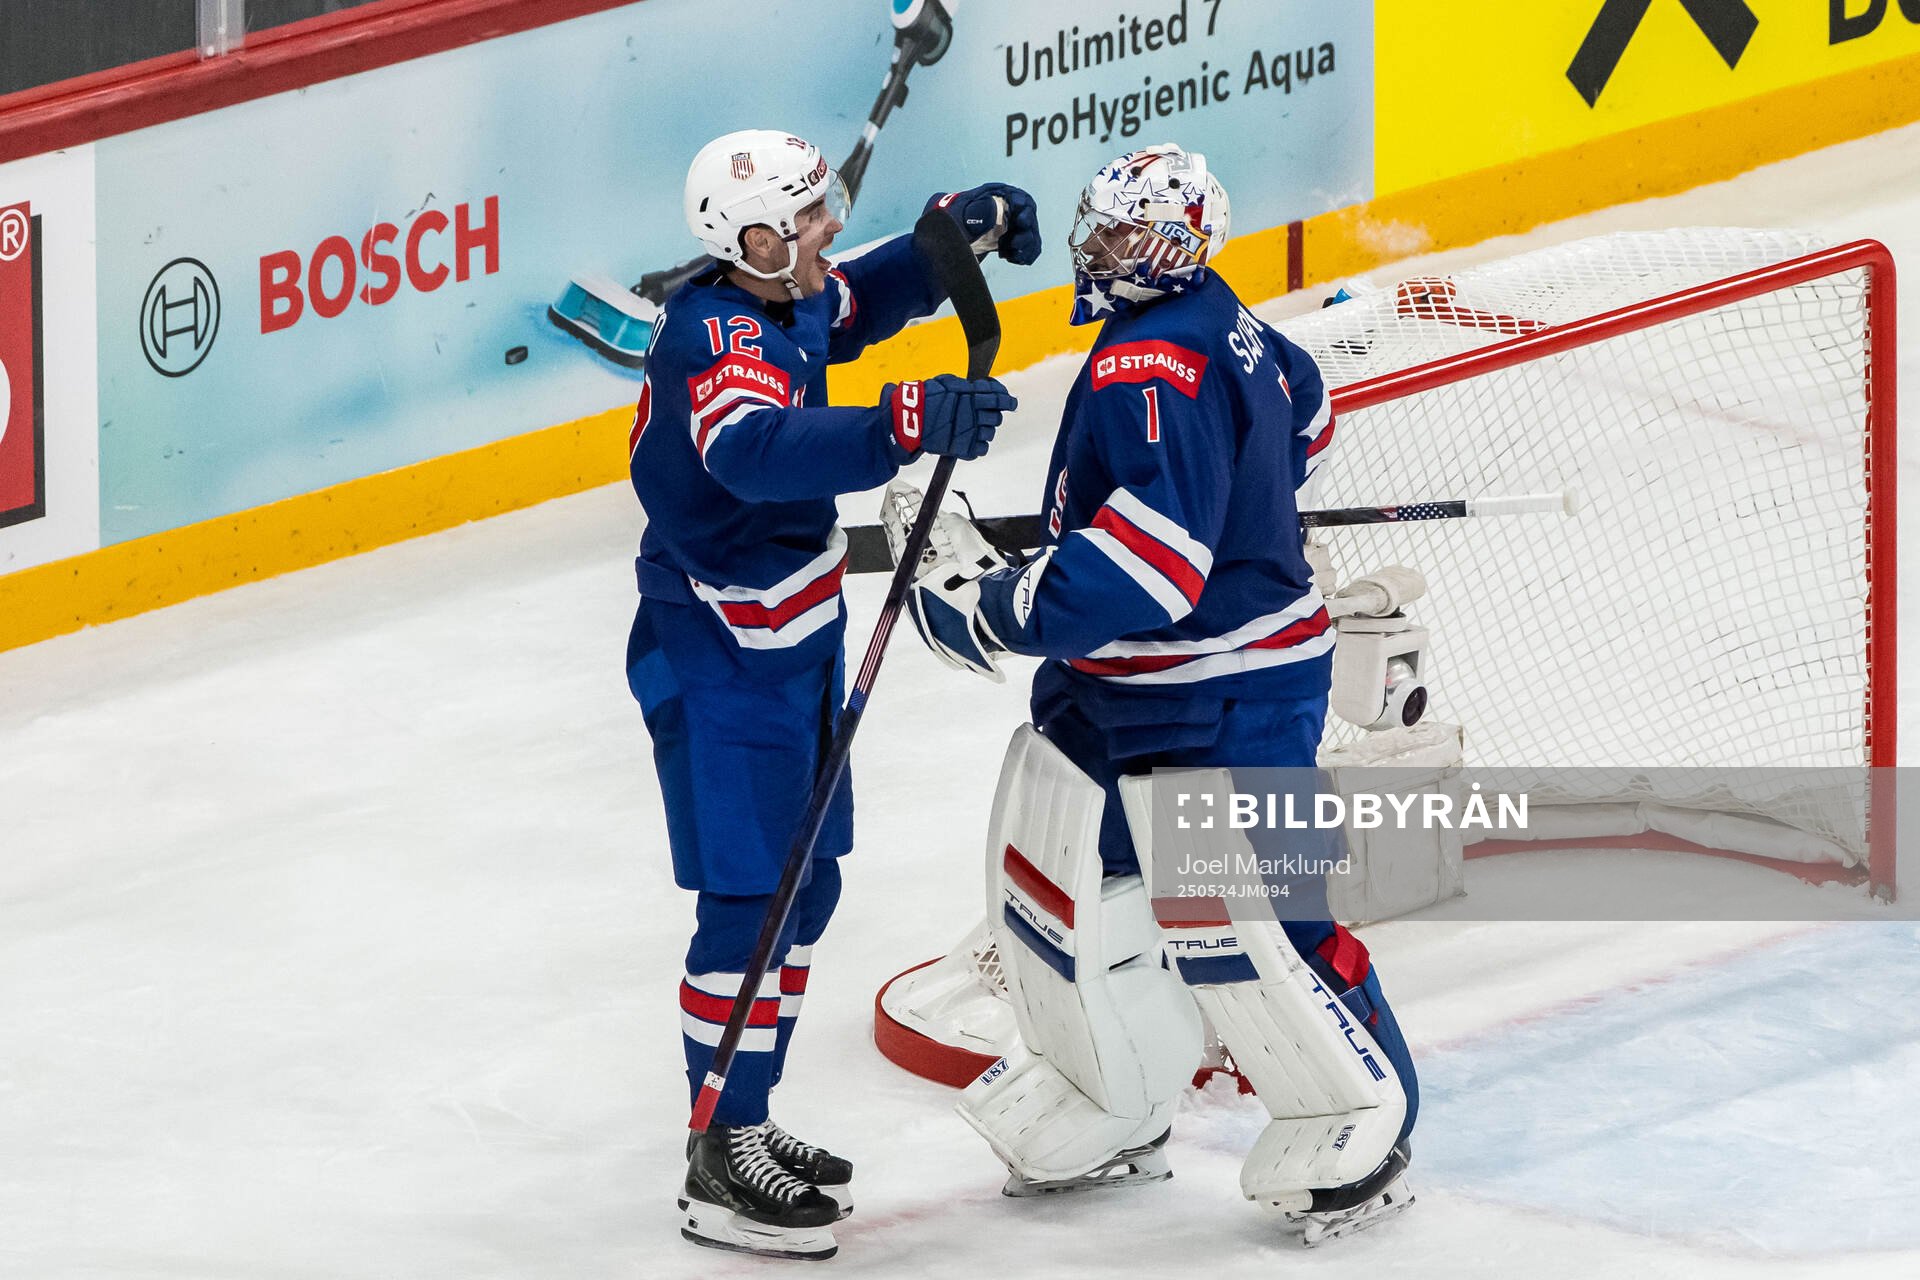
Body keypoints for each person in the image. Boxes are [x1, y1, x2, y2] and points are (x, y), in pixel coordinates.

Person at [890, 144, 1418, 1244]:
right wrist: (1247, 487)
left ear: (1171, 242)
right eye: (1103, 228)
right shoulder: (1221, 317)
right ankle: (1109, 1093)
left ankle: (1363, 1105)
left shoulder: (1148, 365)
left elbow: (1152, 570)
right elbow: (1306, 410)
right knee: (1067, 895)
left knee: (1266, 914)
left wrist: (995, 607)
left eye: (1125, 234)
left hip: (1224, 691)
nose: (1100, 248)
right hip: (1139, 684)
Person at [625, 128, 1038, 1261]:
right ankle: (722, 1148)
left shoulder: (786, 290)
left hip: (794, 635)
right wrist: (899, 424)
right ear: (749, 238)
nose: (826, 236)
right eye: (807, 222)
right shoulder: (713, 334)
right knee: (751, 902)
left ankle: (749, 1107)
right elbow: (752, 451)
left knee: (805, 890)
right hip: (718, 647)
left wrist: (953, 238)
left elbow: (858, 300)